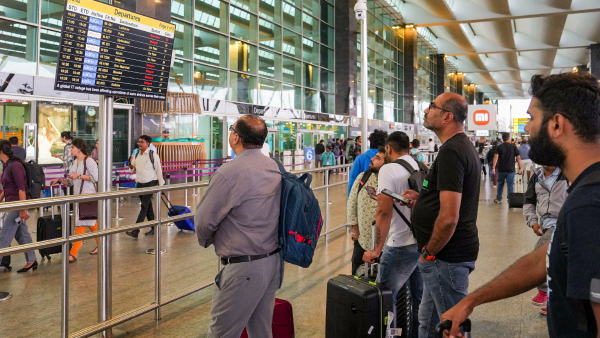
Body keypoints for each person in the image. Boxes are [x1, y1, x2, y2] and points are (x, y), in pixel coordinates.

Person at [440, 72, 600, 338]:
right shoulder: (583, 191)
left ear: (557, 124)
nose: (527, 128)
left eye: (532, 118)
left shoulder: (589, 205)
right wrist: (471, 301)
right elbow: (544, 258)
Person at [400, 93, 481, 338]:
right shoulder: (457, 147)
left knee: (451, 327)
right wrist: (422, 200)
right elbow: (450, 198)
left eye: (432, 106)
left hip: (445, 257)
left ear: (447, 116)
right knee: (427, 322)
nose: (426, 110)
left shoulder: (452, 152)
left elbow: (449, 217)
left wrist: (429, 253)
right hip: (444, 258)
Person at [195, 115, 282, 338]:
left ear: (235, 137)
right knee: (261, 332)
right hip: (271, 262)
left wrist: (207, 240)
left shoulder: (229, 172)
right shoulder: (273, 166)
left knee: (221, 334)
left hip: (244, 268)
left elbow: (204, 220)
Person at [363, 132, 422, 338]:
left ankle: (391, 336)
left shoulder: (388, 169)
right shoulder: (418, 165)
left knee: (386, 299)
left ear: (389, 149)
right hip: (421, 242)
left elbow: (384, 211)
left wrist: (376, 250)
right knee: (419, 300)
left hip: (399, 244)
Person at [523, 165, 568, 315]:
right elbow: (529, 201)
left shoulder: (567, 173)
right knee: (558, 265)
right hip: (545, 226)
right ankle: (555, 303)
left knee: (540, 254)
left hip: (563, 223)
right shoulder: (536, 175)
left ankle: (544, 291)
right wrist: (532, 222)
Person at [49, 138, 99, 262]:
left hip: (88, 196)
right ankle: (102, 244)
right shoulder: (74, 162)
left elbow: (96, 178)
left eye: (72, 147)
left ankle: (73, 253)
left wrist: (80, 176)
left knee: (80, 224)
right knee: (90, 222)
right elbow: (71, 182)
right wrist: (60, 180)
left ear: (79, 148)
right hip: (78, 197)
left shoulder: (90, 161)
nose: (70, 149)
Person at [346, 146, 385, 275]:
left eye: (377, 158)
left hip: (385, 245)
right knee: (357, 276)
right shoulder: (364, 177)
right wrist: (355, 230)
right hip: (362, 240)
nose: (372, 158)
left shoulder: (391, 182)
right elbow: (352, 203)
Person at [0, 140, 37, 272]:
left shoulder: (15, 165)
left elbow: (21, 188)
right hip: (11, 204)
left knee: (4, 236)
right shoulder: (6, 165)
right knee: (22, 234)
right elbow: (7, 187)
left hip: (17, 205)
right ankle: (32, 260)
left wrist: (23, 209)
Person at [125, 135, 164, 238]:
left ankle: (135, 230)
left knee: (144, 207)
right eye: (139, 142)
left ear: (148, 143)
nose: (139, 144)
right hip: (140, 183)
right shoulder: (137, 154)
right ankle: (154, 227)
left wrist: (161, 186)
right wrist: (131, 166)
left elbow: (158, 170)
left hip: (151, 183)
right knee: (148, 207)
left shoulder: (153, 155)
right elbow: (133, 170)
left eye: (142, 142)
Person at [347, 130, 388, 196]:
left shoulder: (360, 158)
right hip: (382, 197)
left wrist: (350, 197)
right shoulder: (387, 158)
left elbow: (352, 180)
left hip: (362, 196)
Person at [492, 132, 523, 203]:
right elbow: (518, 158)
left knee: (500, 184)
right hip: (511, 170)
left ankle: (499, 199)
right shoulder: (513, 146)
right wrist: (520, 168)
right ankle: (510, 201)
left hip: (501, 169)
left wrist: (493, 168)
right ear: (508, 138)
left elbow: (496, 157)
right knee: (510, 185)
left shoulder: (499, 147)